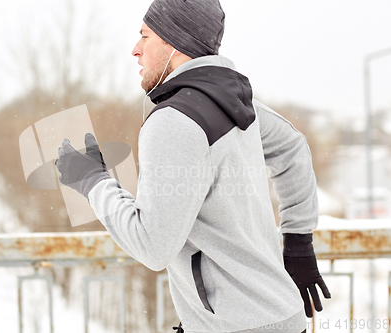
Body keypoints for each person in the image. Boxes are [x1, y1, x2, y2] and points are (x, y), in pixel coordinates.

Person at [55, 0, 331, 332]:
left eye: (145, 36)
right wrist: (299, 243)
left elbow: (152, 246)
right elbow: (292, 147)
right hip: (278, 318)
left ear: (174, 41)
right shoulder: (233, 103)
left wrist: (92, 181)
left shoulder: (174, 121)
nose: (135, 50)